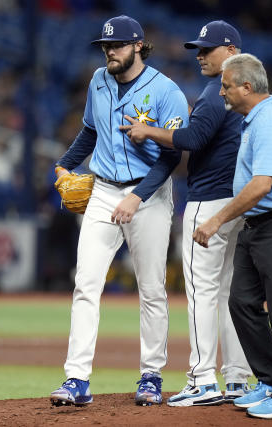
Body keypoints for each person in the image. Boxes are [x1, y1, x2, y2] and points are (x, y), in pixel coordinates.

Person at [49, 15, 188, 407]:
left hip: (151, 194)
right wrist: (64, 163)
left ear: (139, 46)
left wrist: (138, 197)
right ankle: (76, 379)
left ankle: (151, 376)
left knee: (152, 289)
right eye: (106, 46)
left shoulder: (166, 92)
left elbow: (172, 155)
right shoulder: (98, 80)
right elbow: (91, 131)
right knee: (86, 283)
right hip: (104, 191)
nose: (111, 51)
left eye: (119, 45)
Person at [119, 20, 252, 406]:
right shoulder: (250, 93)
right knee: (229, 294)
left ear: (231, 53)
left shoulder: (216, 92)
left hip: (209, 201)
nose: (199, 56)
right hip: (238, 204)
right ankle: (238, 380)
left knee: (201, 293)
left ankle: (202, 379)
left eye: (207, 49)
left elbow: (192, 139)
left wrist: (149, 130)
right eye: (197, 49)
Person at [192, 53, 272, 419]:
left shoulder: (271, 122)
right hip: (259, 226)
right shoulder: (253, 120)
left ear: (248, 87)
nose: (222, 92)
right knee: (241, 302)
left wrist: (216, 221)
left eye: (227, 86)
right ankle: (269, 379)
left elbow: (262, 184)